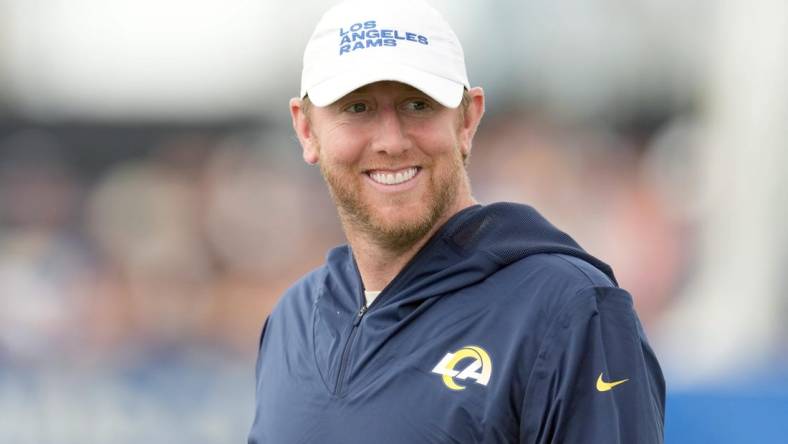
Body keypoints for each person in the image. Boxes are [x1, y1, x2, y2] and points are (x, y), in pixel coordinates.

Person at [248, 0, 665, 442]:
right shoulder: (292, 320)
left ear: (467, 120)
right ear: (307, 130)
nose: (391, 140)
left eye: (417, 105)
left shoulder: (570, 309)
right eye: (358, 108)